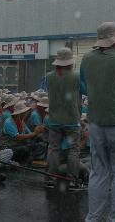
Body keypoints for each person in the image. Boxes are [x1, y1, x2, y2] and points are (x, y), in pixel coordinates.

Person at [81, 22, 115, 222]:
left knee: (98, 172)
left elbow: (83, 86)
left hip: (95, 123)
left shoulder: (87, 58)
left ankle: (93, 217)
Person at [46, 47, 83, 187]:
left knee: (53, 148)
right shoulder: (76, 76)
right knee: (74, 149)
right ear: (70, 62)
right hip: (72, 120)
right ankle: (72, 179)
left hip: (54, 119)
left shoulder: (48, 76)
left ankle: (51, 178)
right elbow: (84, 90)